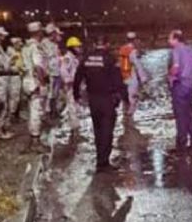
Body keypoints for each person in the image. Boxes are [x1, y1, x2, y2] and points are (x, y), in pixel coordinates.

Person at [73, 35, 127, 171]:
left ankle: (99, 159)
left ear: (95, 44)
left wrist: (76, 95)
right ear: (106, 44)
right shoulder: (110, 58)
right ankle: (104, 162)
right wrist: (125, 98)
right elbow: (118, 80)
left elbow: (78, 76)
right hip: (107, 99)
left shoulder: (86, 58)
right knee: (107, 130)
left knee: (97, 130)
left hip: (93, 99)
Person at [168, 30, 192, 151]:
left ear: (176, 39)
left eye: (170, 38)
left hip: (180, 85)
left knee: (181, 115)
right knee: (190, 113)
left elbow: (176, 67)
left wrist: (170, 75)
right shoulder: (189, 49)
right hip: (190, 86)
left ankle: (181, 144)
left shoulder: (176, 50)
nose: (169, 40)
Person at [22, 22, 49, 153]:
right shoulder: (35, 47)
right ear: (38, 32)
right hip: (35, 81)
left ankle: (32, 138)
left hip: (27, 80)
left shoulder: (26, 46)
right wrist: (43, 83)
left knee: (32, 110)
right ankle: (35, 141)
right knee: (36, 111)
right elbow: (38, 66)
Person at [0, 26, 15, 140]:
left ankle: (0, 129)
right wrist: (8, 65)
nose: (4, 37)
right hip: (1, 79)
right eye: (2, 35)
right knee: (1, 105)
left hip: (3, 79)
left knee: (2, 105)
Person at [118, 31, 148, 116]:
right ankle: (130, 114)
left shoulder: (122, 49)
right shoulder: (133, 51)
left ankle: (125, 113)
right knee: (132, 95)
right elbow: (137, 65)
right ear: (135, 40)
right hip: (131, 74)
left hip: (123, 74)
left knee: (126, 95)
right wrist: (143, 78)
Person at [61, 36, 83, 142]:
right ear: (72, 47)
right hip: (70, 86)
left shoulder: (74, 58)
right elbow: (64, 71)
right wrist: (69, 81)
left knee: (76, 107)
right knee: (72, 107)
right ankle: (75, 131)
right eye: (77, 46)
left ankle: (75, 129)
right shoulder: (67, 58)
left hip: (75, 86)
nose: (79, 48)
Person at [42, 23, 63, 119]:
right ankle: (48, 112)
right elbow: (44, 59)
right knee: (50, 93)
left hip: (57, 71)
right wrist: (45, 72)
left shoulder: (55, 44)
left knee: (56, 93)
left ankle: (54, 111)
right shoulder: (44, 43)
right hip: (50, 72)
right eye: (56, 34)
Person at [7, 37, 25, 123]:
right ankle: (11, 115)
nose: (20, 46)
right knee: (14, 97)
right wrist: (17, 68)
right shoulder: (11, 53)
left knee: (18, 97)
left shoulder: (19, 52)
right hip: (14, 77)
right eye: (18, 44)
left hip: (20, 76)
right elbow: (9, 65)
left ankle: (16, 115)